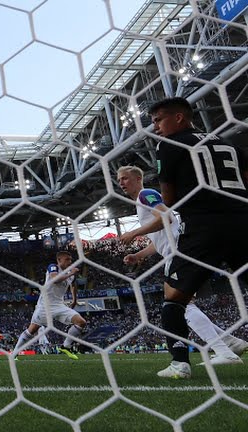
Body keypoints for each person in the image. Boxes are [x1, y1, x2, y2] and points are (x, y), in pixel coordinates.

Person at [148, 97, 248, 378]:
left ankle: (180, 364)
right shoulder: (228, 143)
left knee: (174, 298)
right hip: (242, 221)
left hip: (203, 227)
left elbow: (169, 199)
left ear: (179, 118)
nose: (155, 127)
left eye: (159, 120)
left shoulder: (169, 145)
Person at [117, 165, 248, 365]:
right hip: (177, 251)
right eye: (119, 180)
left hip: (179, 252)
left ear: (137, 178)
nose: (121, 183)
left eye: (125, 178)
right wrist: (138, 255)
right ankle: (230, 343)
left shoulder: (146, 194)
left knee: (177, 305)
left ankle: (224, 352)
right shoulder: (141, 202)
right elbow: (160, 238)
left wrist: (134, 233)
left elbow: (166, 218)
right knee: (182, 304)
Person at [13, 251, 84, 360]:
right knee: (32, 330)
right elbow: (55, 279)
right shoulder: (53, 267)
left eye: (70, 259)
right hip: (45, 305)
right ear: (59, 260)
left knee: (81, 322)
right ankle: (14, 353)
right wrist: (71, 273)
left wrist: (74, 300)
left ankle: (66, 347)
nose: (70, 262)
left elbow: (73, 286)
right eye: (67, 259)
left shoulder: (71, 273)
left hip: (59, 305)